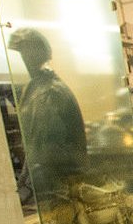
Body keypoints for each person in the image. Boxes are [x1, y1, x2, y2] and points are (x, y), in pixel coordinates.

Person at [7, 28, 87, 214]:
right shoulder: (36, 88)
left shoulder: (48, 91)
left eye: (25, 54)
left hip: (59, 179)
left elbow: (46, 145)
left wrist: (27, 186)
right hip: (52, 177)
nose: (24, 61)